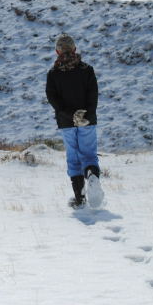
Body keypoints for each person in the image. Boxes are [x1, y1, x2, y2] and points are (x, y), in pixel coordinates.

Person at [45, 33, 103, 208]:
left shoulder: (53, 74)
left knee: (73, 158)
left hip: (66, 123)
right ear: (74, 49)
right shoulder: (87, 69)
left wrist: (70, 115)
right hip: (87, 121)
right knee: (89, 155)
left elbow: (53, 99)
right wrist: (86, 115)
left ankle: (79, 199)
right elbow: (93, 96)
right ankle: (92, 176)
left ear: (57, 51)